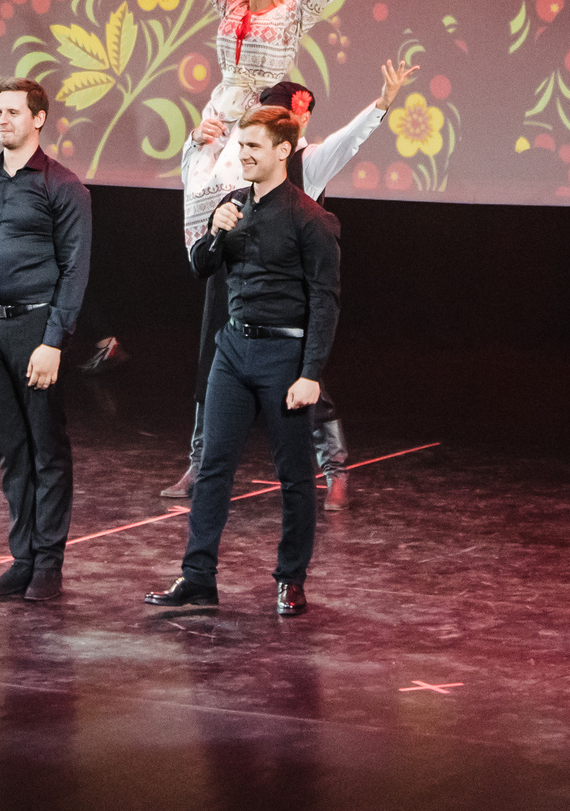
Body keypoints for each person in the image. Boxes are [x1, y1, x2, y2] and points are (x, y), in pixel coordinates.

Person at [160, 60, 417, 508]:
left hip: (284, 287)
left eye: (290, 118)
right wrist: (194, 145)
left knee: (302, 375)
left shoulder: (306, 161)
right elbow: (195, 186)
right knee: (212, 367)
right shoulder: (238, 156)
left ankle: (333, 467)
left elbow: (346, 143)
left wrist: (382, 104)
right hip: (232, 280)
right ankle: (200, 463)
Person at [147, 106, 340, 618]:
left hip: (283, 355)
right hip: (232, 350)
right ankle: (197, 577)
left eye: (253, 146)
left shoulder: (311, 219)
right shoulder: (233, 203)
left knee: (294, 475)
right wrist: (216, 233)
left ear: (283, 150)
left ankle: (291, 579)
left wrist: (310, 374)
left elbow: (325, 300)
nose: (243, 154)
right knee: (213, 467)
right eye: (240, 145)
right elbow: (200, 267)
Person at [165, 0, 391, 249]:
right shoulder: (231, 3)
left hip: (260, 115)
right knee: (199, 182)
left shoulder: (291, 16)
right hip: (221, 109)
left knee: (239, 192)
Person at [0, 78, 92, 602]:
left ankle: (48, 563)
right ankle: (22, 558)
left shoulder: (63, 186)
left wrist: (54, 341)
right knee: (12, 452)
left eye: (12, 111)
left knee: (47, 449)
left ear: (38, 119)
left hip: (35, 328)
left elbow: (74, 272)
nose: (2, 119)